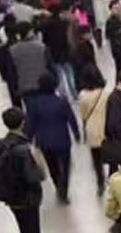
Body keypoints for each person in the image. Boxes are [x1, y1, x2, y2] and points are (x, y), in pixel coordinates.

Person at [22, 73, 81, 205]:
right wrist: (76, 133)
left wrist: (28, 138)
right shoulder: (62, 101)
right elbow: (71, 118)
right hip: (63, 139)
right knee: (66, 167)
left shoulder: (34, 103)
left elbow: (31, 122)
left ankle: (57, 184)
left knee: (52, 165)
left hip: (44, 141)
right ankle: (64, 189)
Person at [76, 75, 113, 192]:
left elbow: (82, 115)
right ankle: (112, 178)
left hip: (91, 130)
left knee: (96, 159)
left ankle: (100, 181)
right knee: (112, 156)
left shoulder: (82, 95)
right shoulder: (106, 94)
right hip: (105, 128)